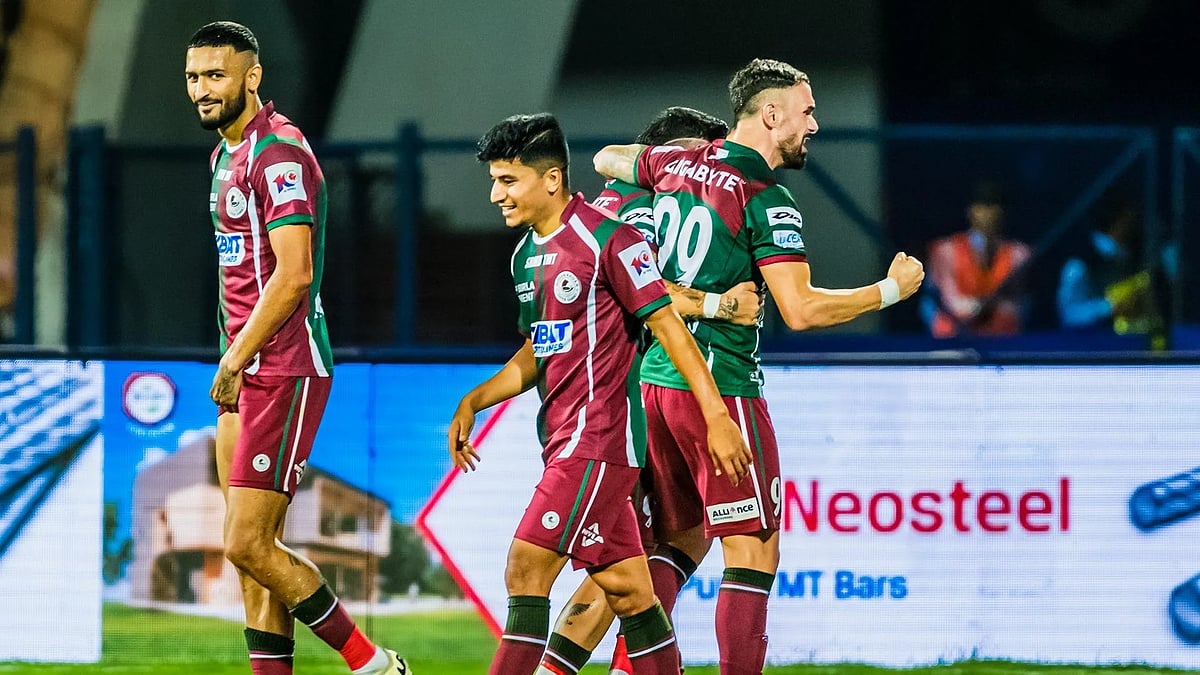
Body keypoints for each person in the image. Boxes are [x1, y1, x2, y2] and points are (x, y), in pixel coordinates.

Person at [593, 58, 925, 674]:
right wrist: (888, 291)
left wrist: (685, 160)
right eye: (806, 112)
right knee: (752, 556)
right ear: (771, 116)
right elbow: (799, 310)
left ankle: (627, 668)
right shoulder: (766, 196)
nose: (814, 126)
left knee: (678, 540)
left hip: (658, 384)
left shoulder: (672, 163)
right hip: (722, 390)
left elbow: (606, 159)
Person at [449, 112, 752, 675]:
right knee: (633, 595)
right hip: (562, 444)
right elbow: (537, 354)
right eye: (494, 180)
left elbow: (668, 329)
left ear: (553, 179)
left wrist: (716, 416)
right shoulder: (524, 257)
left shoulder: (611, 239)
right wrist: (474, 400)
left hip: (600, 444)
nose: (495, 194)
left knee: (525, 569)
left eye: (508, 180)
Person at [185, 22, 408, 675]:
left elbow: (294, 273)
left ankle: (372, 663)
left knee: (247, 539)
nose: (202, 90)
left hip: (283, 365)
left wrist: (235, 356)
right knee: (252, 551)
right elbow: (240, 273)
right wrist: (230, 353)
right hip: (244, 366)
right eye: (195, 77)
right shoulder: (224, 155)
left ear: (252, 77)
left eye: (216, 76)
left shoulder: (277, 154)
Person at [556, 105, 746, 672]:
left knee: (668, 540)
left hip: (596, 393)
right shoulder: (646, 205)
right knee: (633, 554)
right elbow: (637, 284)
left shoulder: (604, 202)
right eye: (704, 156)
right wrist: (716, 303)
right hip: (628, 400)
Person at [922, 180, 1031, 337]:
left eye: (994, 206)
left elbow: (1018, 305)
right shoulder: (945, 250)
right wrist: (977, 307)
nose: (989, 214)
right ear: (970, 210)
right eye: (982, 206)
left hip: (1002, 340)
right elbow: (947, 299)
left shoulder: (1019, 254)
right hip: (953, 339)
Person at [1057, 190, 1161, 339]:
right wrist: (1110, 307)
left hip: (1131, 347)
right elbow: (1068, 315)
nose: (1134, 223)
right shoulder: (1079, 263)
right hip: (1088, 349)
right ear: (1121, 220)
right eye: (1130, 217)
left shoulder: (1133, 258)